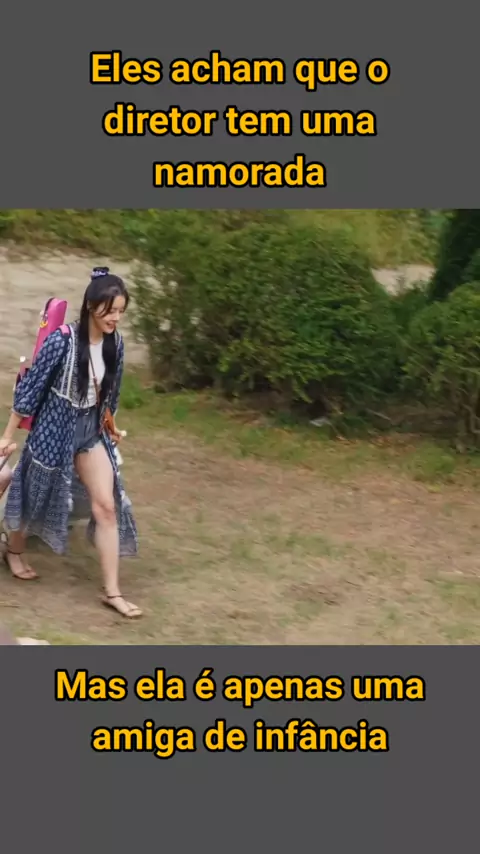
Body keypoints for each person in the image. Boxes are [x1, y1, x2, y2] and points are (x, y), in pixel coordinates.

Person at [0, 267, 142, 619]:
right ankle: (13, 550)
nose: (115, 318)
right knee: (33, 498)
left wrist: (111, 427)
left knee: (106, 506)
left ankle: (112, 592)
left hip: (90, 431)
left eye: (121, 311)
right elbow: (30, 389)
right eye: (110, 310)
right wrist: (7, 436)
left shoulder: (116, 344)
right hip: (53, 429)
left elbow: (110, 394)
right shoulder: (61, 341)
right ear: (91, 306)